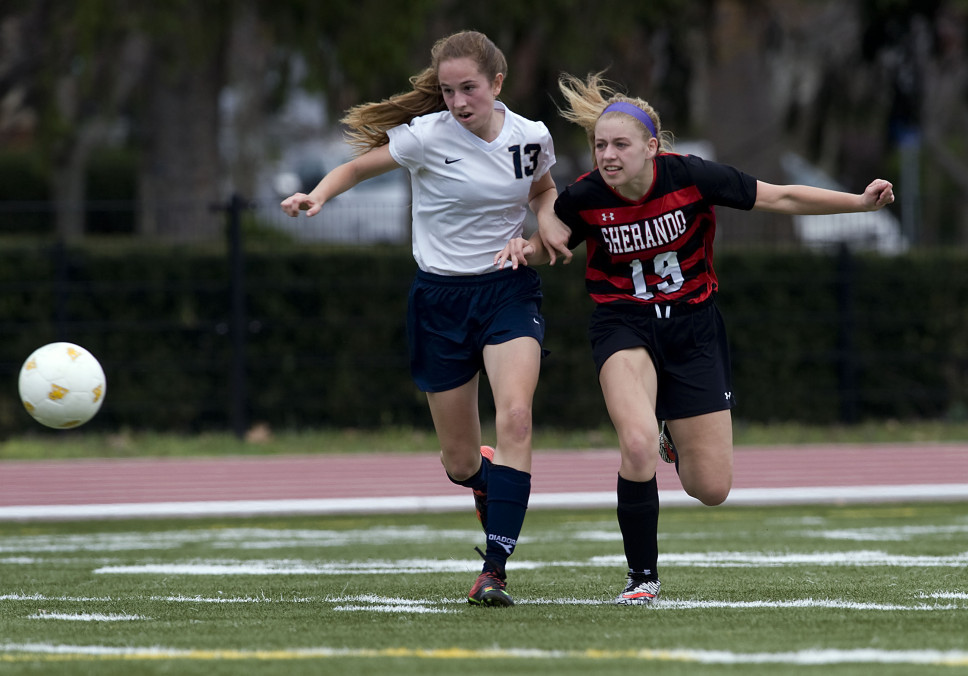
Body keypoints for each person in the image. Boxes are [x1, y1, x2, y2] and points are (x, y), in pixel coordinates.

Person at [496, 71, 895, 605]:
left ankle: (671, 433)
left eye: (620, 145)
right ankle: (642, 578)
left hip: (693, 328)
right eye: (600, 145)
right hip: (623, 324)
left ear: (651, 148)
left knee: (711, 488)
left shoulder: (692, 176)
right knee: (636, 443)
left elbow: (781, 197)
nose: (608, 156)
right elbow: (553, 241)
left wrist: (859, 203)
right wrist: (524, 248)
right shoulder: (586, 196)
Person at [281, 31, 562, 608]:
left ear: (497, 83)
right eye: (448, 91)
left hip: (508, 290)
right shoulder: (426, 136)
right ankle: (484, 479)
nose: (458, 102)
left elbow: (543, 190)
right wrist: (319, 195)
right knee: (460, 463)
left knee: (515, 417)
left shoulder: (531, 136)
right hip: (440, 301)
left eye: (469, 89)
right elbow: (356, 169)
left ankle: (494, 570)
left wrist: (547, 221)